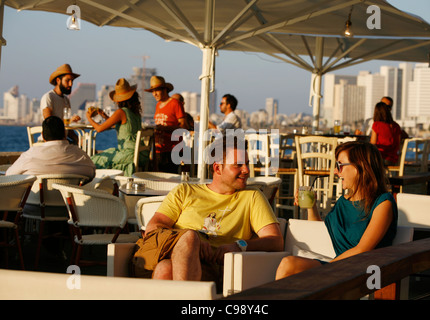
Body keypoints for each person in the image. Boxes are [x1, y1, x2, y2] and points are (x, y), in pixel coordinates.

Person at [132, 135, 283, 287]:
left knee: (167, 267)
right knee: (169, 263)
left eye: (247, 164)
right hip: (170, 258)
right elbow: (154, 227)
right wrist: (191, 241)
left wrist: (240, 245)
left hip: (213, 268)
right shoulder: (185, 191)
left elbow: (275, 241)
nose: (246, 170)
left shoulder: (252, 197)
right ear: (217, 168)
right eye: (238, 165)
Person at [276, 141, 397, 280]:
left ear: (361, 166)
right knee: (288, 264)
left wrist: (326, 270)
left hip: (364, 273)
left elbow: (362, 249)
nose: (335, 171)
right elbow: (321, 231)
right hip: (339, 268)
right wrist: (311, 206)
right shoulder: (343, 202)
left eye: (340, 165)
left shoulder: (383, 202)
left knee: (292, 269)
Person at [87, 78, 148, 176]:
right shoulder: (135, 113)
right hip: (142, 154)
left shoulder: (121, 112)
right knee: (107, 153)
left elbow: (99, 129)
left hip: (129, 154)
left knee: (95, 160)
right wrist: (105, 117)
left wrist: (89, 118)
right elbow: (123, 126)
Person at [6, 116, 95, 179]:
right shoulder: (80, 155)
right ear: (65, 134)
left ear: (43, 137)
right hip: (72, 204)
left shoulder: (30, 154)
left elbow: (9, 175)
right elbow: (92, 173)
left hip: (34, 202)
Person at [145, 76, 188, 173]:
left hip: (173, 149)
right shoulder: (158, 105)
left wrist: (165, 128)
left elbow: (184, 127)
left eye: (156, 90)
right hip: (159, 149)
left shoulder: (175, 103)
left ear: (165, 90)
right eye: (152, 91)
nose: (154, 94)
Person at [40, 63, 81, 144]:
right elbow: (49, 123)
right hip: (49, 141)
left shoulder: (66, 100)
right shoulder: (49, 97)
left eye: (72, 81)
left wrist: (79, 140)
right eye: (67, 80)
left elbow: (68, 130)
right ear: (58, 80)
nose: (71, 84)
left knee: (90, 148)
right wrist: (68, 122)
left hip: (63, 141)